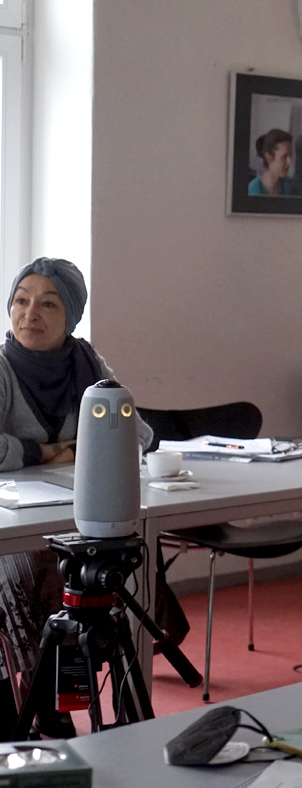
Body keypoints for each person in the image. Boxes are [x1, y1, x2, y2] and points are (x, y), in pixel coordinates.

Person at [0, 257, 153, 735]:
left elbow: (140, 435)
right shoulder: (3, 367)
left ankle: (56, 700)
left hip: (71, 512)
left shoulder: (85, 362)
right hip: (11, 525)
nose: (30, 314)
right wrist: (47, 451)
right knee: (36, 566)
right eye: (21, 301)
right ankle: (27, 701)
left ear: (71, 316)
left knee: (106, 556)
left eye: (48, 304)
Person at [248, 128, 296, 196]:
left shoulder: (290, 187)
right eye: (284, 157)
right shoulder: (253, 190)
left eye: (290, 156)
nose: (289, 162)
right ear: (269, 157)